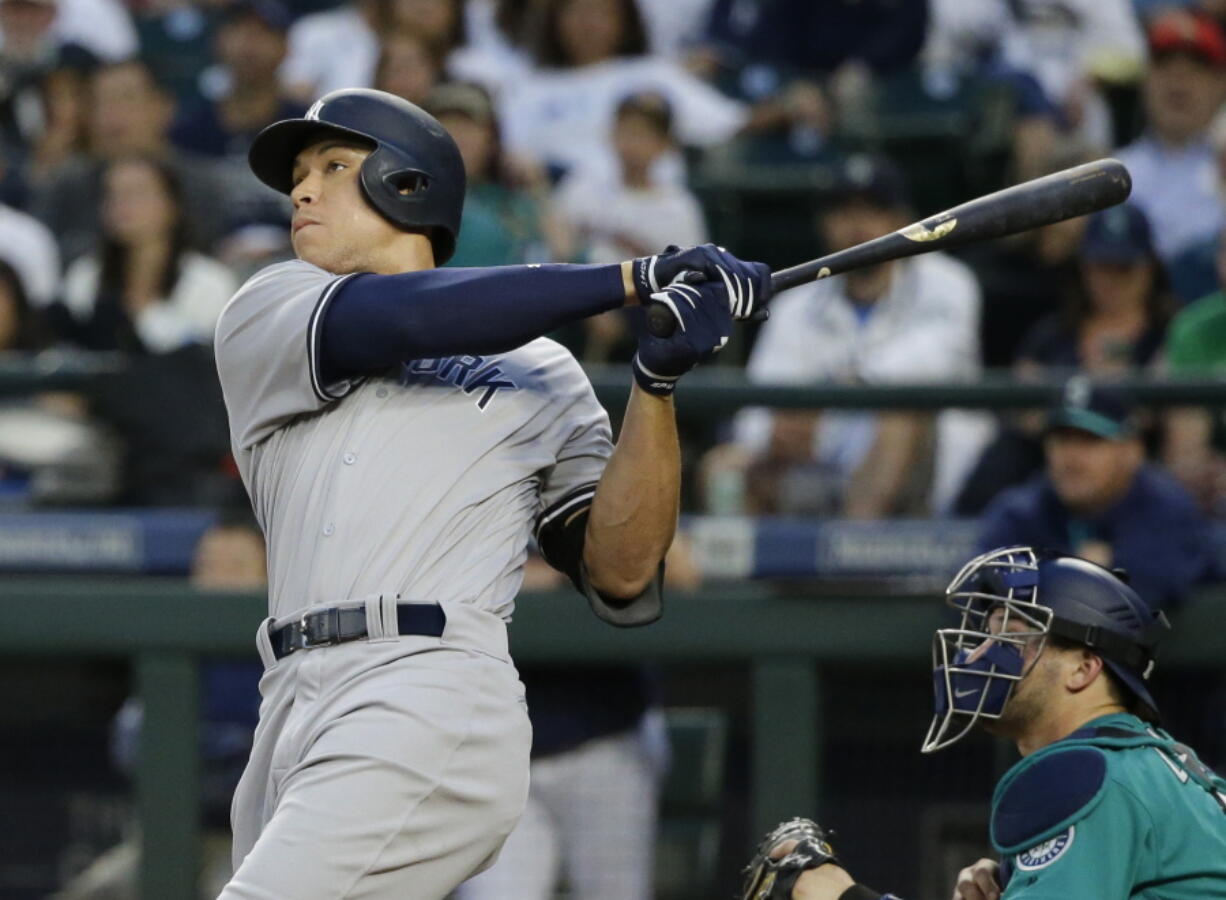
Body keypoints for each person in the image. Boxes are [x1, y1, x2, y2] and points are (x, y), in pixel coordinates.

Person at [213, 87, 770, 898]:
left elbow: (619, 572)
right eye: (299, 174)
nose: (301, 190)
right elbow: (405, 320)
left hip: (427, 686)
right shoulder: (271, 305)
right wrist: (633, 275)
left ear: (407, 186)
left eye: (333, 167)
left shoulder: (543, 370)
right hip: (291, 700)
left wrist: (654, 385)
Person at [740, 546, 1226, 900]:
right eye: (986, 635)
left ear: (1084, 667)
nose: (978, 655)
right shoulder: (1152, 765)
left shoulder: (1086, 774)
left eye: (1013, 638)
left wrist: (841, 896)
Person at [704, 154, 983, 518]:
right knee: (723, 466)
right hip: (824, 460)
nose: (857, 225)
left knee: (900, 415)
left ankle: (855, 554)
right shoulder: (799, 302)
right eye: (843, 212)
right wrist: (774, 436)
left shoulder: (946, 282)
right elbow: (759, 401)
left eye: (872, 210)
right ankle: (737, 575)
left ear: (900, 221)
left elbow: (925, 365)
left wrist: (831, 401)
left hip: (927, 472)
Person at [978, 378, 1218, 612]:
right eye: (1062, 440)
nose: (1071, 457)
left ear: (1132, 450)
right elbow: (977, 588)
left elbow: (1158, 583)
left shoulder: (1166, 507)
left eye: (1090, 441)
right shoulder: (1022, 511)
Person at [1114, 9, 1226, 268]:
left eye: (1197, 66)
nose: (1179, 78)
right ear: (1146, 78)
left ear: (1221, 84)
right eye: (1164, 64)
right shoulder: (1117, 171)